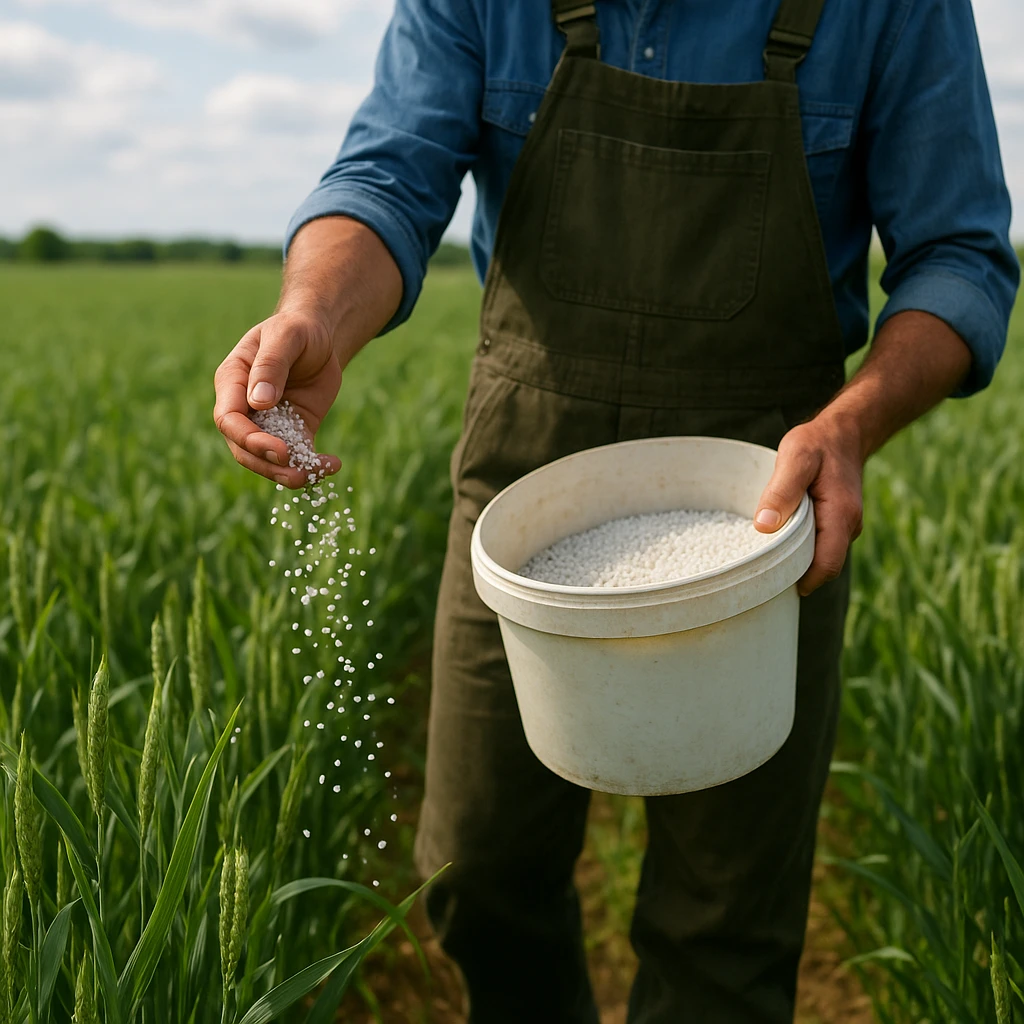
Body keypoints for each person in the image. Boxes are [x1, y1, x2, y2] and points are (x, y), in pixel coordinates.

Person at [213, 1, 1019, 1020]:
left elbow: (958, 254)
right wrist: (312, 314)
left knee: (725, 923)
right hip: (525, 484)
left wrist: (849, 427)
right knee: (476, 868)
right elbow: (388, 174)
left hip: (763, 501)